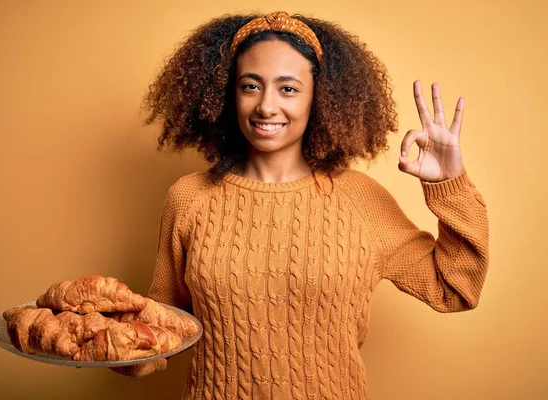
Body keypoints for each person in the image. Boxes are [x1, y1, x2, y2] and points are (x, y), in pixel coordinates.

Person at [110, 11, 490, 400]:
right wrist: (97, 336)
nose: (266, 106)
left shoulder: (360, 199)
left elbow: (456, 288)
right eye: (250, 86)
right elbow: (161, 329)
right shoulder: (189, 198)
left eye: (288, 88)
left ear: (319, 98)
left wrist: (449, 184)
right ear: (228, 93)